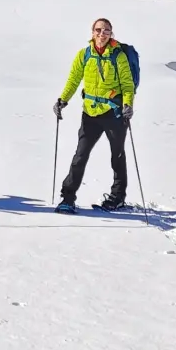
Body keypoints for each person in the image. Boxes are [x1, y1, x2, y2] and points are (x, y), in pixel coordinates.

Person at [53, 18, 136, 213]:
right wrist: (63, 100)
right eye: (98, 30)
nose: (102, 34)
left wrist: (128, 105)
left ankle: (117, 197)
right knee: (80, 155)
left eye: (106, 30)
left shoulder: (118, 56)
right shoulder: (84, 54)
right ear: (92, 32)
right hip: (90, 113)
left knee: (117, 155)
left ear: (111, 34)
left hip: (114, 113)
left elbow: (127, 84)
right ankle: (67, 198)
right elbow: (74, 79)